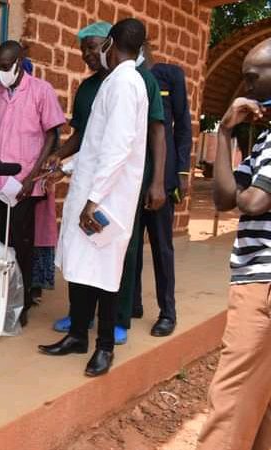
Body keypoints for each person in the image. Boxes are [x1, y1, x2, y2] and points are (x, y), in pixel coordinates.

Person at [38, 18, 149, 377]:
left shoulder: (126, 83)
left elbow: (117, 151)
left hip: (105, 201)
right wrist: (66, 170)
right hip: (94, 191)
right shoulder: (115, 82)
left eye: (99, 45)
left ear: (111, 43)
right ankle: (77, 336)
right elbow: (95, 146)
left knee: (104, 275)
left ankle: (103, 348)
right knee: (83, 270)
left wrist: (93, 199)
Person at [196, 37, 271, 450]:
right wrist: (224, 132)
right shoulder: (263, 141)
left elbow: (254, 201)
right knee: (258, 408)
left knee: (231, 402)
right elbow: (226, 197)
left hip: (263, 285)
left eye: (253, 76)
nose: (247, 86)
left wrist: (247, 198)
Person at [0, 40, 66, 325]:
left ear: (19, 61)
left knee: (20, 244)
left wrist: (31, 178)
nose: (2, 72)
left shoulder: (41, 91)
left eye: (6, 66)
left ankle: (21, 303)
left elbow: (51, 135)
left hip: (25, 186)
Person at [129, 44, 193, 337]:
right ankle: (133, 303)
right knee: (130, 247)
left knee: (161, 247)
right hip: (131, 178)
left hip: (160, 179)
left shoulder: (169, 76)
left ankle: (168, 311)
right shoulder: (126, 77)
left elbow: (182, 127)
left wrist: (180, 172)